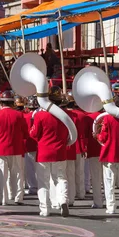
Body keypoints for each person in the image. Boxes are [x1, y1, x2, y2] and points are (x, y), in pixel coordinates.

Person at [30, 89, 70, 217]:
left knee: (43, 181)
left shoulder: (40, 115)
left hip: (44, 152)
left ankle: (45, 209)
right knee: (61, 178)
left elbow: (34, 134)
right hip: (60, 151)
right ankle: (63, 200)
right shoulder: (65, 115)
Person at [0, 90, 28, 206]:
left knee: (2, 175)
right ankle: (18, 197)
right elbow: (25, 133)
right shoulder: (19, 115)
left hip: (0, 149)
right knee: (18, 174)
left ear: (1, 102)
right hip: (16, 148)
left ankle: (3, 199)